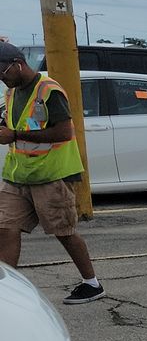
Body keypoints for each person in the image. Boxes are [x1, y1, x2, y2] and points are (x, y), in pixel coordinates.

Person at [0, 39, 103, 303]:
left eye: (3, 73)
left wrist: (14, 134)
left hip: (51, 175)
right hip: (18, 175)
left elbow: (63, 131)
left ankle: (91, 283)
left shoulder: (49, 90)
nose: (2, 80)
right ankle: (6, 290)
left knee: (64, 231)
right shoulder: (11, 93)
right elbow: (12, 124)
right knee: (6, 228)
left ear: (18, 65)